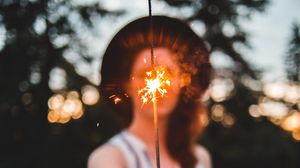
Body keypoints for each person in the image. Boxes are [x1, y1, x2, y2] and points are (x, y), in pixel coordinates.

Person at [88, 16, 212, 168]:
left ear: (182, 82)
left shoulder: (199, 157)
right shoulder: (110, 158)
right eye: (145, 74)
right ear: (127, 85)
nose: (159, 87)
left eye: (168, 74)